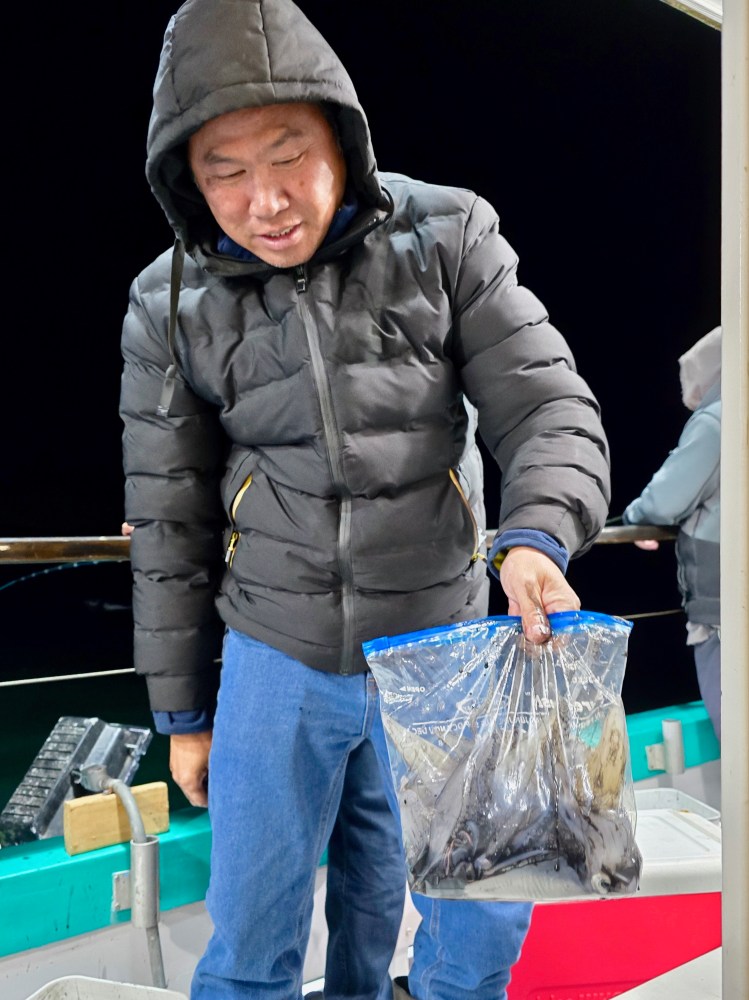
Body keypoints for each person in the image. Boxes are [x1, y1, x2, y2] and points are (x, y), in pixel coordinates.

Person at [119, 1, 611, 998]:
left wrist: (535, 539)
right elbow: (168, 518)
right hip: (273, 649)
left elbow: (550, 406)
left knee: (477, 935)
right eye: (225, 170)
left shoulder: (447, 233)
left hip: (449, 642)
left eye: (286, 153)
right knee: (249, 943)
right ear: (186, 179)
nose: (264, 200)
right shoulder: (164, 301)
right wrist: (182, 714)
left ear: (340, 137)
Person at [622, 326, 721, 741]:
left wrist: (635, 516)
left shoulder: (719, 419)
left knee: (740, 743)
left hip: (726, 620)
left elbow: (664, 499)